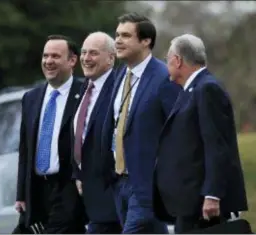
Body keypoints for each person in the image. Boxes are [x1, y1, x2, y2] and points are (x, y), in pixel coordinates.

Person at [153, 34, 248, 233]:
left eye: (167, 58)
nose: (166, 63)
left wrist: (212, 194)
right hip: (188, 201)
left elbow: (216, 145)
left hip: (201, 204)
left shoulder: (206, 89)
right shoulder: (190, 90)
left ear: (177, 60)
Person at [100, 12, 181, 233]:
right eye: (117, 35)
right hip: (119, 183)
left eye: (125, 35)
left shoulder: (164, 77)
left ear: (146, 41)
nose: (117, 40)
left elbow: (180, 132)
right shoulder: (119, 76)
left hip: (146, 186)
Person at [15, 34, 87, 233]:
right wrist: (21, 193)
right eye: (45, 56)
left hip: (67, 189)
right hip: (37, 191)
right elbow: (24, 150)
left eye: (55, 56)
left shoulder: (85, 92)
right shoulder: (31, 98)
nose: (48, 61)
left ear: (72, 60)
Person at [71, 31, 122, 234]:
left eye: (93, 53)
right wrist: (79, 172)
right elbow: (81, 135)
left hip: (115, 194)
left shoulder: (119, 86)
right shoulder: (85, 87)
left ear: (111, 58)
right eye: (83, 53)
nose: (85, 58)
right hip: (92, 197)